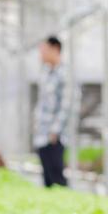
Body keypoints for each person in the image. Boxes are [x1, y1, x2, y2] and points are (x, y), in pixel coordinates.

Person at [34, 35, 70, 188]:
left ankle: (65, 207)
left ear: (55, 49)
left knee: (56, 175)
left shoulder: (65, 73)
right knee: (47, 177)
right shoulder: (46, 73)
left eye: (44, 50)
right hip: (42, 133)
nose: (41, 54)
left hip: (54, 135)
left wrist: (55, 130)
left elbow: (67, 104)